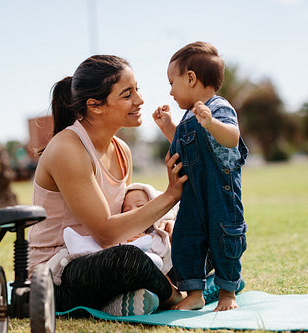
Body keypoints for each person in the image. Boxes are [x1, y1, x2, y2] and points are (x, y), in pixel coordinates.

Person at [27, 55, 188, 316]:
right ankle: (176, 296)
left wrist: (158, 228)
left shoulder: (121, 149)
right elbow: (106, 233)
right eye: (127, 94)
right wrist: (170, 195)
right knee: (128, 261)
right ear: (96, 105)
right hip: (56, 274)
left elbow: (122, 222)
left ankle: (127, 299)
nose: (140, 100)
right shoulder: (67, 149)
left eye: (138, 90)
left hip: (104, 253)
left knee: (199, 235)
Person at [153, 41, 249, 312]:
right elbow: (187, 148)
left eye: (172, 82)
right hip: (194, 197)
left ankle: (228, 294)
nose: (170, 91)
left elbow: (232, 138)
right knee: (186, 240)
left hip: (221, 195)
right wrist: (168, 128)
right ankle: (194, 294)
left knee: (225, 240)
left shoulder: (219, 108)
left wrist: (211, 123)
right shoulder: (186, 118)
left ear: (191, 78)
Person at [63, 183, 177, 273]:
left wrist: (148, 240)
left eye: (141, 206)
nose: (134, 211)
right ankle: (82, 245)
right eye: (127, 210)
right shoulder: (124, 231)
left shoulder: (155, 233)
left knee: (154, 261)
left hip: (144, 262)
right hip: (119, 254)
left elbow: (164, 250)